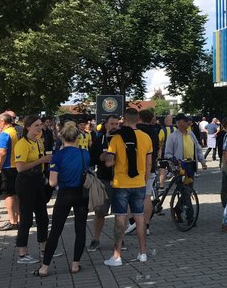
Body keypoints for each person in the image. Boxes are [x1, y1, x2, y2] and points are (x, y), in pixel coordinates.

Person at [34, 122, 90, 277]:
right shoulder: (84, 153)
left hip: (64, 194)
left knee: (56, 231)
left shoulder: (57, 156)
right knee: (80, 230)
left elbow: (52, 182)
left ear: (62, 137)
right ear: (77, 137)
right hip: (81, 194)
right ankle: (75, 264)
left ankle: (45, 267)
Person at [104, 107, 153, 266]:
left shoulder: (117, 138)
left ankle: (117, 256)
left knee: (120, 218)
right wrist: (144, 181)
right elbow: (149, 163)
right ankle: (143, 253)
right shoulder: (146, 137)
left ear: (124, 119)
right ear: (138, 119)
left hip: (121, 183)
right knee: (139, 218)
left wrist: (108, 156)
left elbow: (109, 162)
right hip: (139, 183)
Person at [14, 115, 52, 264]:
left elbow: (42, 159)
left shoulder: (39, 141)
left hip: (37, 180)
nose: (39, 128)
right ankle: (22, 253)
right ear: (28, 127)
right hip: (25, 182)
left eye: (40, 125)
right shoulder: (22, 143)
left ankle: (44, 248)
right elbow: (20, 167)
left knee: (43, 216)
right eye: (36, 125)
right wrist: (41, 160)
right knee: (26, 218)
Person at [87, 114, 119, 252]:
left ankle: (119, 240)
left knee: (120, 213)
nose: (115, 126)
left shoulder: (123, 139)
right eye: (112, 124)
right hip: (104, 180)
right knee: (100, 212)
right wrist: (99, 158)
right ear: (105, 125)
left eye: (117, 124)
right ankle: (96, 239)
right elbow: (90, 159)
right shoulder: (99, 140)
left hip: (120, 181)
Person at [128, 109, 162, 236]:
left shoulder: (134, 130)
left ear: (139, 118)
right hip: (151, 166)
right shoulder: (154, 132)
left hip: (135, 168)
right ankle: (146, 226)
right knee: (147, 196)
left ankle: (133, 222)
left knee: (132, 196)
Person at [0, 112, 21, 230]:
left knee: (8, 195)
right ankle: (20, 219)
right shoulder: (16, 131)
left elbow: (2, 152)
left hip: (8, 167)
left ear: (2, 122)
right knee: (17, 194)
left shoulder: (5, 134)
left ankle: (12, 221)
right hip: (18, 165)